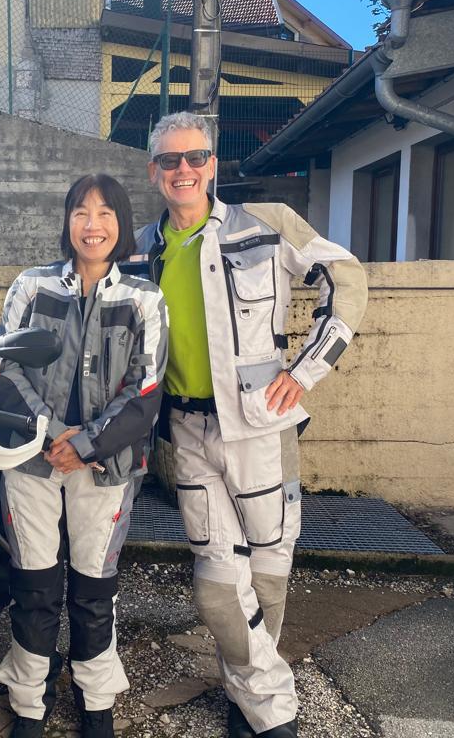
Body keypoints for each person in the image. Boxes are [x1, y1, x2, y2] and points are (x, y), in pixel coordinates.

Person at [133, 112, 368, 738]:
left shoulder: (267, 224)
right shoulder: (140, 249)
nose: (184, 169)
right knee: (217, 587)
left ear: (212, 164)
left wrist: (307, 370)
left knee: (266, 576)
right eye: (170, 160)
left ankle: (247, 697)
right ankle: (272, 706)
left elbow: (347, 278)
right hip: (185, 433)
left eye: (196, 157)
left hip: (263, 428)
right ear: (154, 171)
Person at [0, 174, 168, 738]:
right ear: (67, 222)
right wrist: (49, 434)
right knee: (34, 585)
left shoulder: (143, 297)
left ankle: (96, 699)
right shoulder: (31, 285)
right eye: (81, 213)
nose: (93, 225)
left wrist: (86, 443)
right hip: (31, 459)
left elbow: (146, 389)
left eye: (105, 213)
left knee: (93, 589)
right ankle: (29, 701)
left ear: (121, 223)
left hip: (105, 467)